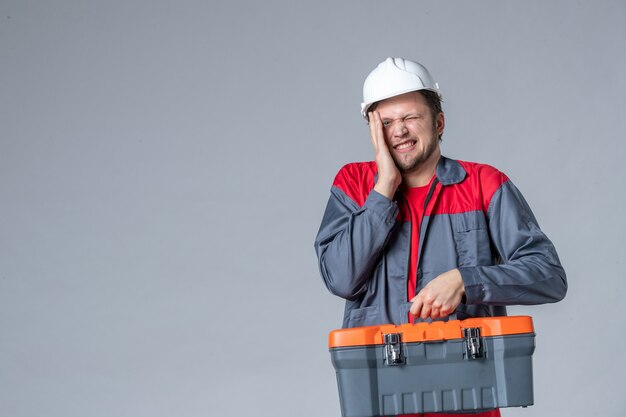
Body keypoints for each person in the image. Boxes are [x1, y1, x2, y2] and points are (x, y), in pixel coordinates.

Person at [314, 57, 567, 417]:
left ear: (439, 122)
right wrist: (383, 189)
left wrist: (467, 280)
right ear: (373, 131)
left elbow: (549, 277)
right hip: (380, 399)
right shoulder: (354, 186)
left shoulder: (484, 185)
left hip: (469, 399)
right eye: (386, 122)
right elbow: (339, 277)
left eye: (410, 118)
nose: (399, 131)